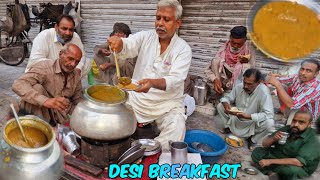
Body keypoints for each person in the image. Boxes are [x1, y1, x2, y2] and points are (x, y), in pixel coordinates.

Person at [107, 0, 192, 151]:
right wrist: (120, 44)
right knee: (109, 116)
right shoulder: (145, 37)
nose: (160, 23)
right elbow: (129, 44)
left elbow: (175, 79)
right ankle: (125, 149)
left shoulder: (183, 49)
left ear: (178, 23)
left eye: (166, 19)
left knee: (177, 126)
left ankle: (150, 153)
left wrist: (152, 83)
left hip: (166, 103)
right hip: (137, 98)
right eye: (158, 18)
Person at [12, 43, 83, 125]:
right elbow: (18, 84)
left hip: (61, 115)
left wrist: (90, 109)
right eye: (70, 58)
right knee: (36, 88)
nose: (73, 64)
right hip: (42, 112)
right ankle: (38, 127)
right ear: (61, 54)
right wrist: (45, 101)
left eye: (77, 61)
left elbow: (77, 99)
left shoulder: (76, 75)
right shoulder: (44, 67)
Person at [251, 110, 320, 180]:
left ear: (309, 124)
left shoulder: (313, 138)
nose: (295, 124)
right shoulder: (287, 128)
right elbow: (264, 144)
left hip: (298, 165)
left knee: (290, 171)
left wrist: (270, 161)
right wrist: (273, 139)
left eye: (301, 122)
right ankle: (271, 173)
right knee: (257, 152)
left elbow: (299, 162)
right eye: (294, 121)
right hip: (280, 156)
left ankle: (273, 171)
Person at [217, 68, 274, 149]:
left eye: (250, 84)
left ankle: (253, 140)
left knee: (269, 123)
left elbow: (269, 114)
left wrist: (249, 116)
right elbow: (227, 98)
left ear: (259, 82)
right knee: (220, 106)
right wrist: (226, 104)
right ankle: (229, 127)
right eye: (244, 82)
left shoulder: (264, 92)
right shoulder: (239, 87)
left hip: (252, 122)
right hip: (236, 117)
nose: (245, 86)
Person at [25, 14, 90, 78]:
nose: (68, 33)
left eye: (71, 30)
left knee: (87, 63)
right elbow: (36, 61)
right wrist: (60, 65)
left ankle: (71, 83)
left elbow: (82, 55)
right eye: (64, 29)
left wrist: (78, 69)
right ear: (56, 27)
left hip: (64, 71)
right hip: (46, 72)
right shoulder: (44, 36)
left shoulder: (75, 37)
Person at [205, 26, 255, 95]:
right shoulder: (224, 49)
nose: (236, 46)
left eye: (239, 44)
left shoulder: (248, 51)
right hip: (224, 80)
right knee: (215, 61)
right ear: (230, 39)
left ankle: (237, 93)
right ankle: (218, 89)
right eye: (233, 43)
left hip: (238, 81)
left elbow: (253, 72)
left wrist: (244, 63)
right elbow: (208, 70)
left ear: (245, 40)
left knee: (247, 66)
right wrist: (215, 79)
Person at [266, 59, 320, 124]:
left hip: (308, 113)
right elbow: (281, 79)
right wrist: (270, 78)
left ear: (316, 74)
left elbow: (292, 104)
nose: (303, 73)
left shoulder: (314, 87)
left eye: (308, 71)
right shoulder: (298, 77)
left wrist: (277, 84)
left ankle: (292, 121)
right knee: (282, 86)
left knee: (280, 87)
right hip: (298, 103)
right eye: (302, 69)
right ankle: (284, 111)